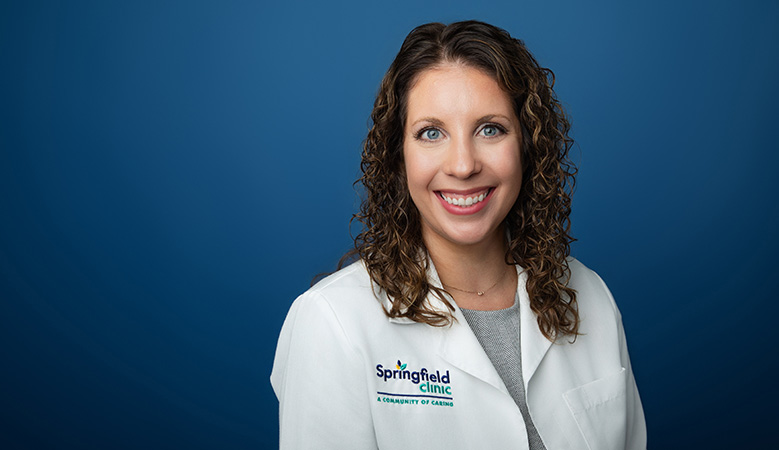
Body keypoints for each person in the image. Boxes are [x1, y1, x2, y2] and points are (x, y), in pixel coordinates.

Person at [270, 20, 646, 450]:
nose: (463, 165)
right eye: (432, 133)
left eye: (491, 129)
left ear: (526, 145)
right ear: (399, 156)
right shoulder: (332, 323)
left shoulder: (589, 296)